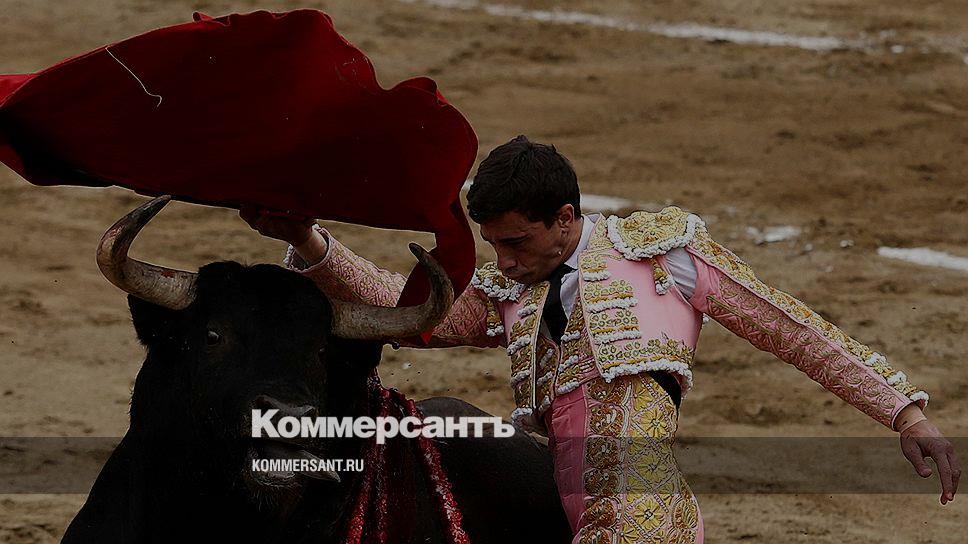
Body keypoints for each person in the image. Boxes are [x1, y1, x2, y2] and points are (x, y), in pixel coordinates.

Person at [241, 135, 959, 543]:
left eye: (517, 242)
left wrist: (904, 410)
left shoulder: (664, 256)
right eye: (494, 245)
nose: (505, 261)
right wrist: (308, 240)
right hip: (562, 516)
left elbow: (793, 330)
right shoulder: (511, 291)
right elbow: (417, 313)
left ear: (563, 217)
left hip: (643, 517)